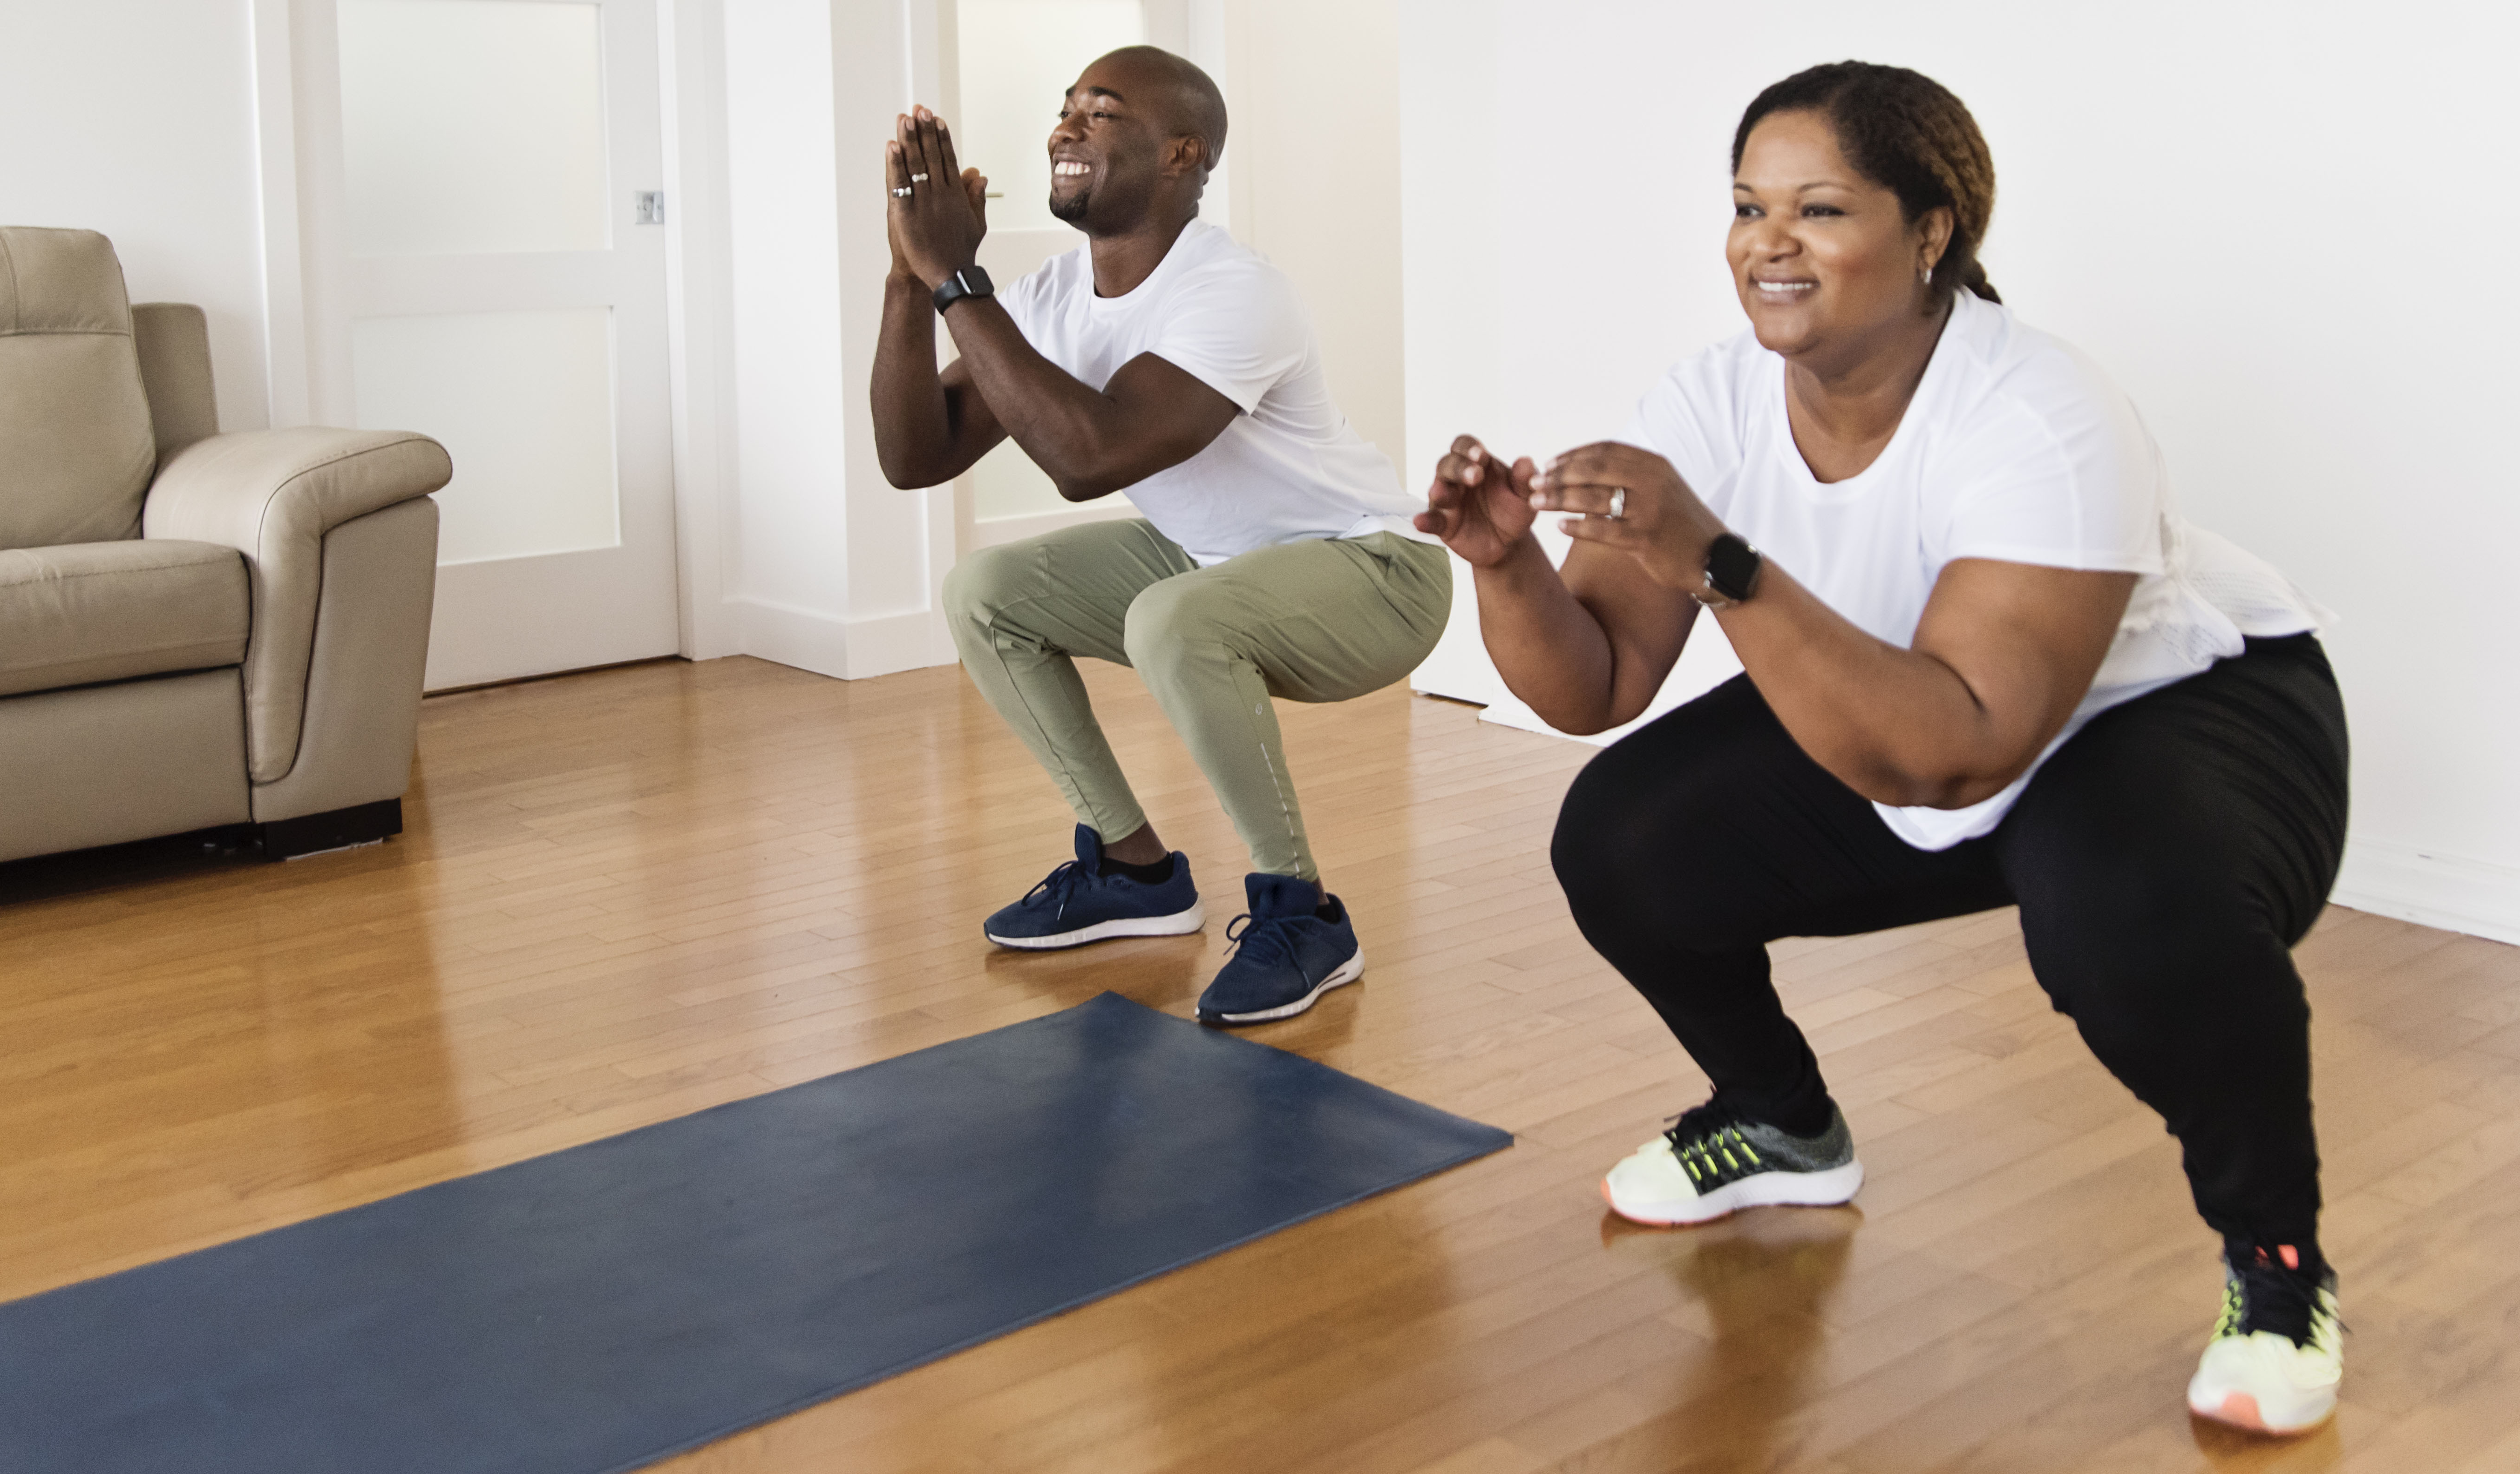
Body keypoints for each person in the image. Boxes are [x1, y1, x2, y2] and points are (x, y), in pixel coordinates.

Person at [1417, 62, 2348, 1437]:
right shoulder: (1716, 398)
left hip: (2167, 706)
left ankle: (2277, 1264)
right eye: (1744, 206)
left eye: (1817, 207)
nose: (1764, 242)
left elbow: (1960, 752)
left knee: (2120, 912)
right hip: (1911, 694)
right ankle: (1778, 1118)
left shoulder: (2036, 410)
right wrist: (1504, 569)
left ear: (1929, 233)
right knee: (1621, 835)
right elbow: (1595, 682)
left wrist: (1719, 559)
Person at [870, 47, 1450, 1026]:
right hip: (1216, 563)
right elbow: (914, 457)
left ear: (1182, 153)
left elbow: (1090, 457)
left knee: (1172, 618)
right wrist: (908, 279)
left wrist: (959, 281)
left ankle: (1302, 916)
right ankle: (1134, 870)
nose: (1064, 128)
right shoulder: (1053, 297)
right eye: (1063, 111)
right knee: (985, 589)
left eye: (1099, 114)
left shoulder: (1233, 292)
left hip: (1376, 572)